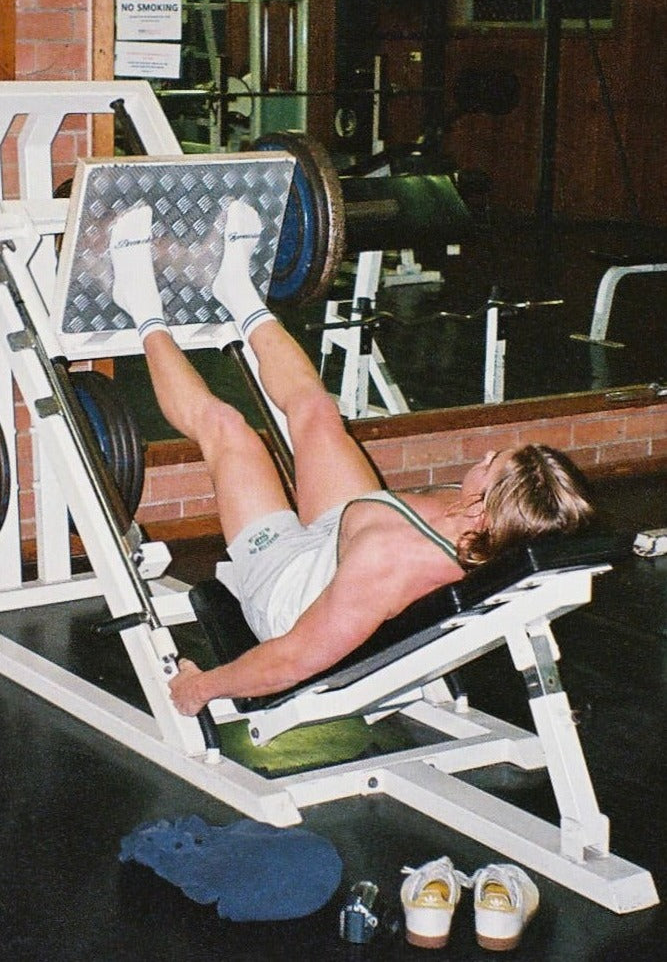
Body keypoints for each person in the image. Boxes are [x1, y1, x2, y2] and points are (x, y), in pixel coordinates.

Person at [107, 199, 596, 715]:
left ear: (482, 505)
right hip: (341, 537)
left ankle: (137, 300)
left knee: (227, 429)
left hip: (286, 587)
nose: (486, 452)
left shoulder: (392, 561)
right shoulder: (495, 522)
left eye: (492, 462)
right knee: (317, 410)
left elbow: (292, 660)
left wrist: (200, 688)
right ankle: (235, 290)